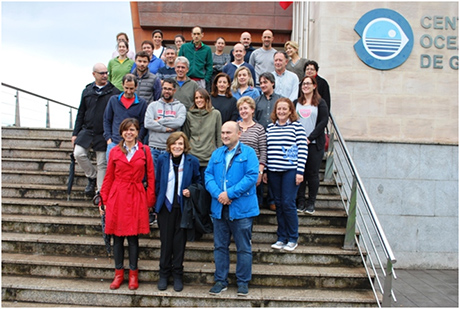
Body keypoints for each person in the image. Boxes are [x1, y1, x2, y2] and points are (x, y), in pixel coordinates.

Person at [99, 118, 156, 291]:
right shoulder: (115, 151)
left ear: (137, 131)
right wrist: (103, 199)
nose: (129, 133)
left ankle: (133, 274)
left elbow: (151, 177)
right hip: (118, 195)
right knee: (117, 237)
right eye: (126, 130)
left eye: (132, 129)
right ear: (121, 132)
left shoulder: (145, 150)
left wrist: (149, 199)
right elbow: (108, 176)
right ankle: (118, 274)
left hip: (136, 195)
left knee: (133, 238)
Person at [205, 121, 259, 296]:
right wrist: (219, 194)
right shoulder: (217, 153)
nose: (225, 136)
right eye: (222, 133)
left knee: (243, 247)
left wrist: (230, 194)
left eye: (229, 132)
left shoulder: (249, 153)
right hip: (219, 208)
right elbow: (208, 176)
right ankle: (221, 280)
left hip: (242, 209)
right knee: (220, 246)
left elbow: (251, 176)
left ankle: (243, 281)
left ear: (238, 134)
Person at [155, 132, 200, 292]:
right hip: (165, 208)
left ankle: (178, 275)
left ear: (185, 145)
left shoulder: (191, 161)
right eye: (174, 143)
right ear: (169, 145)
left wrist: (191, 190)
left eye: (180, 143)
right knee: (166, 243)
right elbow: (157, 181)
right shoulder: (162, 159)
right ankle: (163, 274)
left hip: (183, 208)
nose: (177, 146)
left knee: (179, 244)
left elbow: (198, 182)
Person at [264, 98, 308, 252]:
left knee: (288, 203)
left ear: (290, 111)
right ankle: (281, 237)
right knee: (279, 204)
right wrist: (265, 170)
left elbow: (303, 149)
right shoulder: (270, 128)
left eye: (285, 109)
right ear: (275, 111)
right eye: (279, 109)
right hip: (274, 171)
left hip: (290, 171)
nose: (281, 112)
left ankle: (293, 237)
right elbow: (267, 150)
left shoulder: (297, 127)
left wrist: (300, 172)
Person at [72, 63, 121, 197]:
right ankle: (91, 176)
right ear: (94, 74)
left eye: (106, 73)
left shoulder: (114, 92)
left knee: (102, 163)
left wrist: (111, 135)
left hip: (103, 132)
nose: (105, 75)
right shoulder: (87, 91)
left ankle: (100, 193)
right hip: (87, 130)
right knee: (78, 153)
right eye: (102, 73)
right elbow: (81, 112)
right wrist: (75, 133)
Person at [294, 76, 329, 214]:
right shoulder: (296, 102)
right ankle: (301, 201)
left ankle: (311, 202)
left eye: (308, 83)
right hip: (298, 144)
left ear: (314, 86)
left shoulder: (320, 102)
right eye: (303, 84)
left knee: (312, 173)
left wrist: (310, 137)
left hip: (314, 144)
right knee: (300, 172)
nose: (305, 86)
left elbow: (323, 121)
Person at [103, 74, 148, 161]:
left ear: (136, 86)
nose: (128, 91)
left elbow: (143, 124)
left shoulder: (142, 103)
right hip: (115, 142)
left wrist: (139, 139)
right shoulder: (113, 100)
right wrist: (108, 139)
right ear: (122, 85)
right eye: (126, 88)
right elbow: (107, 120)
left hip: (133, 144)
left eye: (131, 88)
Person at [144, 78, 186, 169]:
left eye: (170, 89)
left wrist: (158, 120)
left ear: (174, 91)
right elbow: (147, 123)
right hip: (154, 148)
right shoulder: (153, 105)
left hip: (171, 148)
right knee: (153, 178)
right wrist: (165, 128)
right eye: (165, 88)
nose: (167, 91)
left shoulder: (180, 107)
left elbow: (178, 123)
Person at [183, 88, 222, 181]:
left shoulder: (216, 114)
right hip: (192, 156)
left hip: (209, 158)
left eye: (201, 97)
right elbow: (186, 136)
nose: (198, 100)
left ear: (206, 99)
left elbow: (219, 137)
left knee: (207, 187)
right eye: (196, 98)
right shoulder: (189, 115)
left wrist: (219, 155)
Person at [237, 96, 267, 207]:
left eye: (245, 108)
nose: (243, 111)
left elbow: (263, 151)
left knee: (252, 203)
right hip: (236, 169)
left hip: (252, 169)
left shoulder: (259, 128)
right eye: (241, 109)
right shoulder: (235, 127)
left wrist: (260, 172)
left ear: (252, 110)